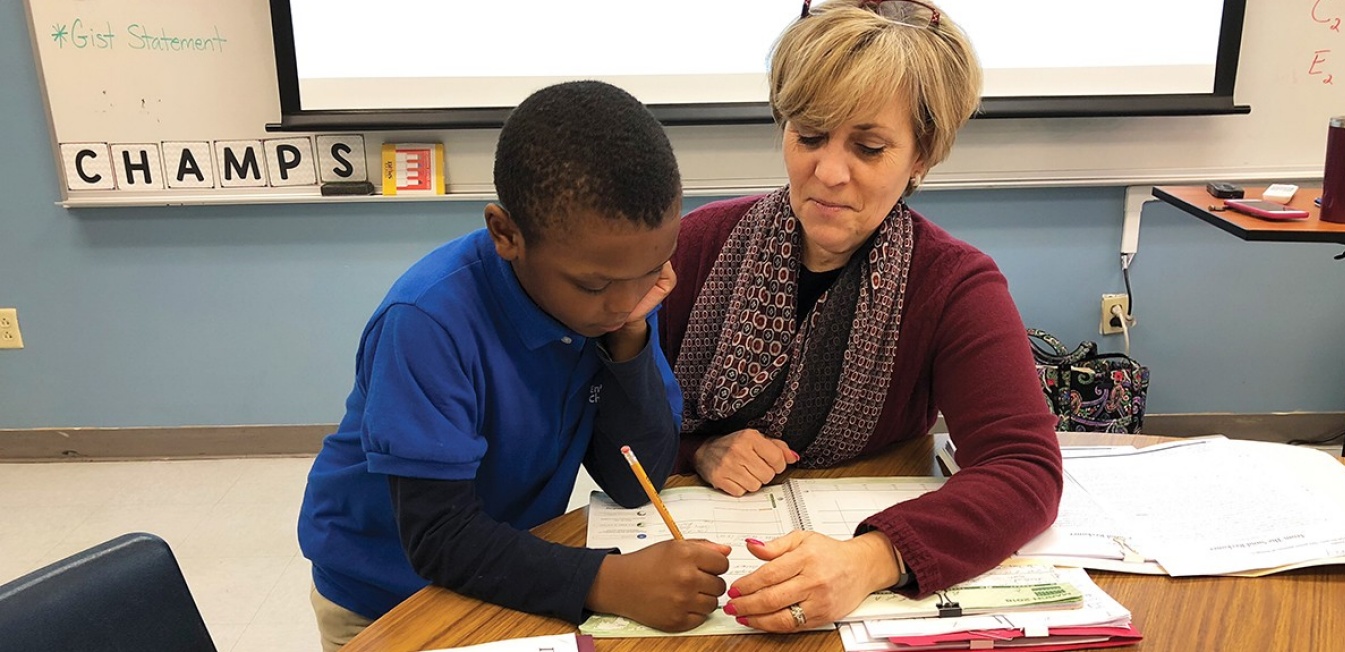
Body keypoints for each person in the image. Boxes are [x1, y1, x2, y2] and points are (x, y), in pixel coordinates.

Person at [659, 0, 1062, 633]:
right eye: (808, 136)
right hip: (699, 567)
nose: (828, 173)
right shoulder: (695, 246)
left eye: (869, 148)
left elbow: (1024, 469)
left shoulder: (954, 285)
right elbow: (609, 412)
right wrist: (698, 447)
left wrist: (873, 559)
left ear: (921, 156)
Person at [298, 81, 730, 651]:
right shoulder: (426, 321)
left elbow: (635, 481)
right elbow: (437, 536)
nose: (626, 302)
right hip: (385, 596)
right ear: (506, 234)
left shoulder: (608, 307)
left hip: (502, 568)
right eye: (595, 285)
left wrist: (629, 341)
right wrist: (606, 581)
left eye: (653, 270)